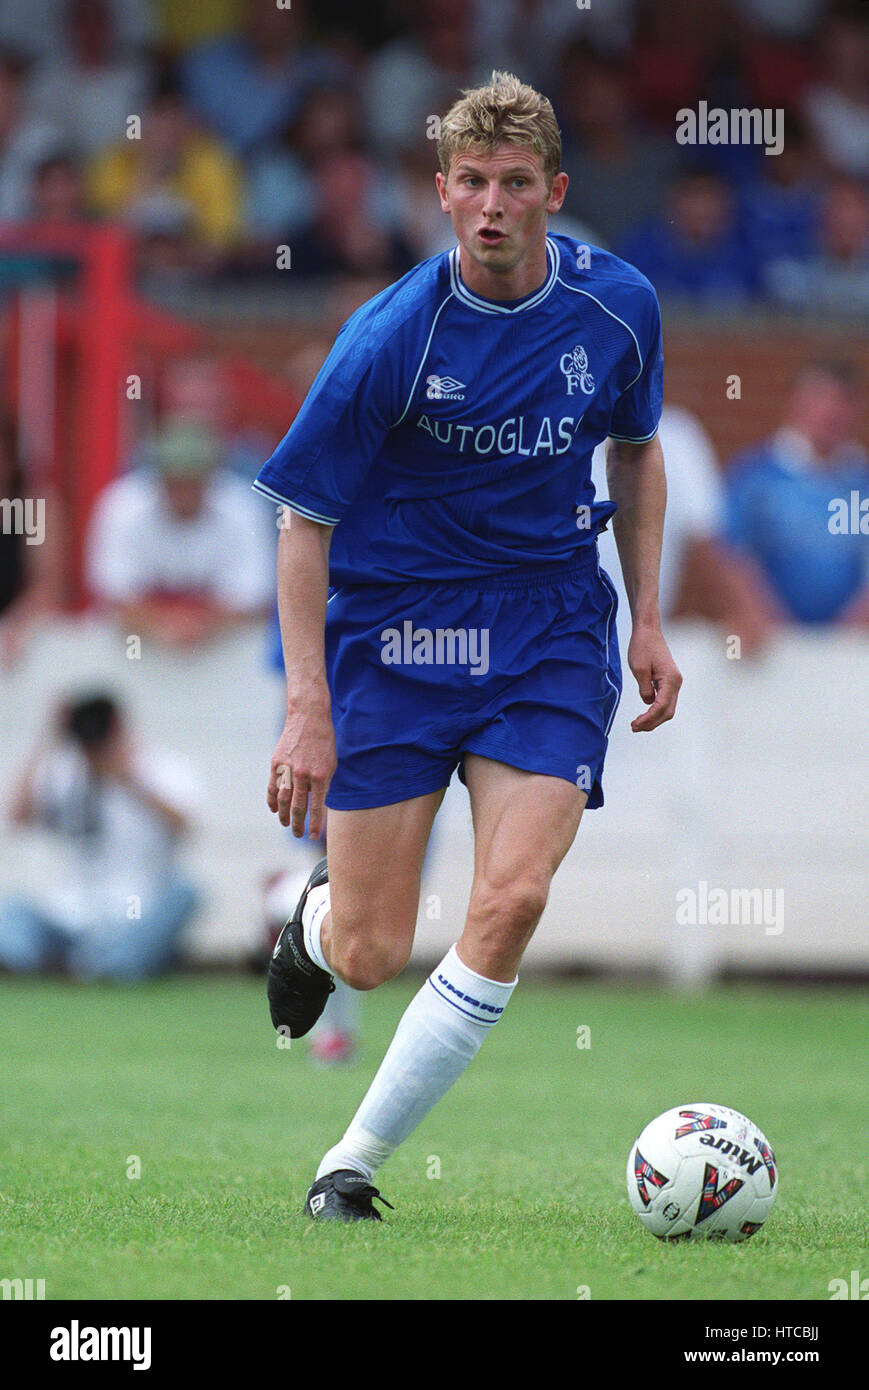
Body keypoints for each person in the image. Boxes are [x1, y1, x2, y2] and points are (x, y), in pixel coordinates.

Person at [254, 72, 681, 1222]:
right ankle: (311, 919)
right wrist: (307, 706)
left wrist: (642, 613)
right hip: (395, 639)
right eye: (470, 184)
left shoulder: (619, 305)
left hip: (547, 629)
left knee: (511, 896)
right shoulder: (387, 336)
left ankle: (350, 1162)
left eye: (514, 184)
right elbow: (303, 519)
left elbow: (635, 451)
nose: (491, 205)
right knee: (370, 951)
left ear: (554, 189)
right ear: (441, 192)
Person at [0, 693, 200, 979]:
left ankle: (105, 962)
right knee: (11, 914)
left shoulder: (159, 765)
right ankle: (94, 963)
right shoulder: (64, 771)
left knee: (187, 894)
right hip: (69, 916)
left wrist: (128, 778)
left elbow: (186, 826)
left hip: (135, 915)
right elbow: (16, 818)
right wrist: (48, 736)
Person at [86, 419, 274, 648]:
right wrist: (165, 626)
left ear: (211, 475)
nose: (184, 491)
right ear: (157, 476)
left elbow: (254, 599)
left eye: (193, 480)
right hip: (137, 648)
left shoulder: (242, 507)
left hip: (226, 651)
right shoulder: (122, 505)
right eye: (174, 480)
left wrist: (195, 627)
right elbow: (113, 594)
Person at [725, 360, 869, 626]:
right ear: (793, 402)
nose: (831, 410)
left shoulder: (862, 481)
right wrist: (763, 618)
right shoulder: (755, 475)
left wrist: (852, 630)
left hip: (853, 647)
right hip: (772, 645)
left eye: (843, 399)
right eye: (819, 396)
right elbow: (731, 554)